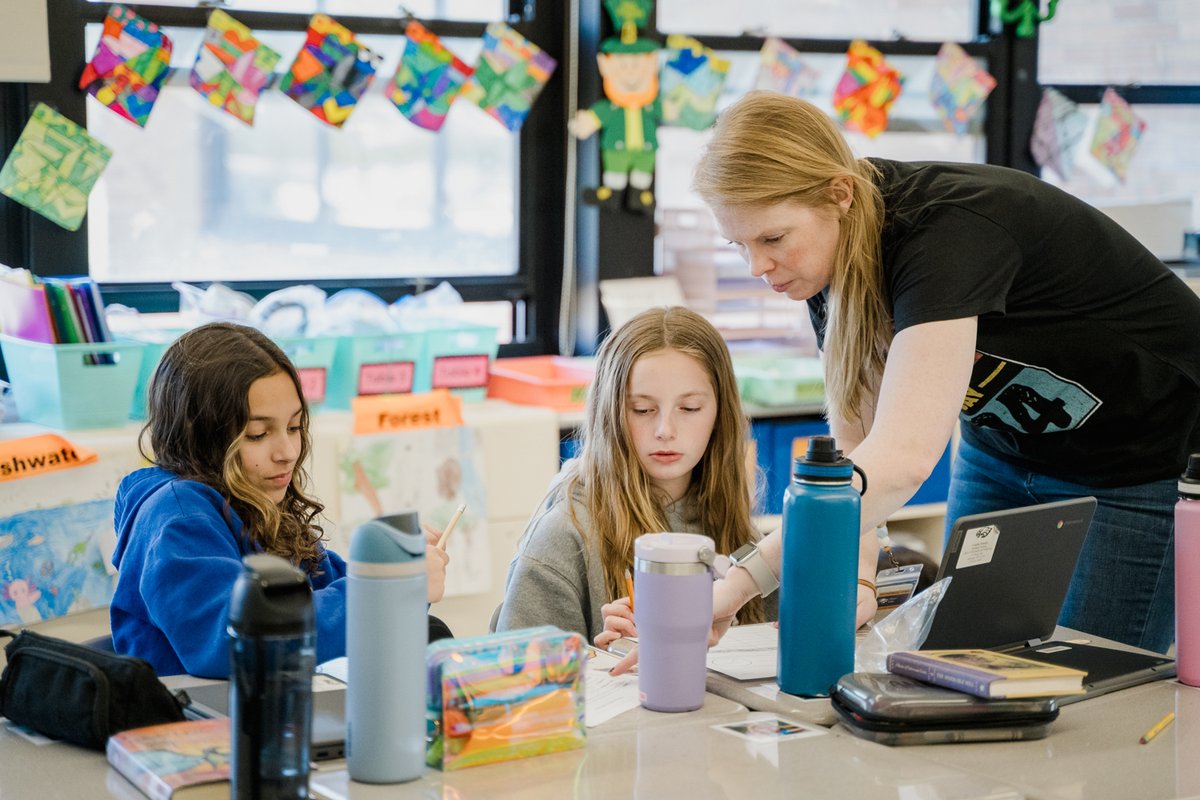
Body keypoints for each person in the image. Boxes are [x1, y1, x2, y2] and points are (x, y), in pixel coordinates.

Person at [606, 91, 1200, 664]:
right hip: (1002, 448)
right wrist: (861, 577)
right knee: (965, 662)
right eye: (739, 244)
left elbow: (903, 458)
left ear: (839, 193)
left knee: (1084, 674)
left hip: (1142, 453)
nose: (758, 266)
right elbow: (857, 456)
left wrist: (737, 587)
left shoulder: (946, 233)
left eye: (773, 239)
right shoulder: (825, 265)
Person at [109, 322, 451, 677]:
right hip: (203, 712)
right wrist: (388, 590)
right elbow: (240, 641)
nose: (287, 452)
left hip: (276, 703)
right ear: (200, 435)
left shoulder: (257, 503)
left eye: (294, 427)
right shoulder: (179, 518)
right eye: (258, 434)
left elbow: (328, 590)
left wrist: (395, 565)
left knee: (430, 636)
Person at [496, 306, 774, 642]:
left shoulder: (736, 527)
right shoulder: (563, 539)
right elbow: (520, 672)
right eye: (642, 410)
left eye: (689, 408)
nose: (665, 430)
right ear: (610, 413)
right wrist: (601, 659)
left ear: (720, 413)